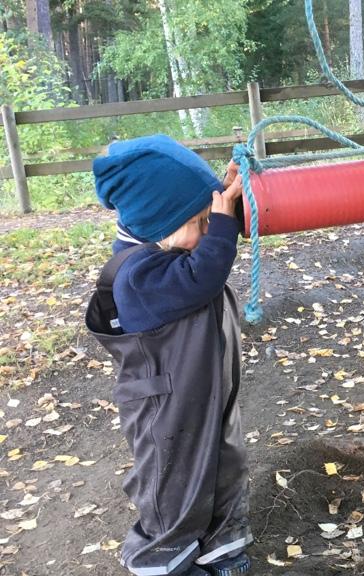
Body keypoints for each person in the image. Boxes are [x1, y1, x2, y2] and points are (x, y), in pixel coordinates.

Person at [85, 134, 252, 576]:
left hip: (205, 394)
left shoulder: (167, 249)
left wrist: (226, 201)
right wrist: (222, 228)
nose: (207, 233)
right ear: (159, 225)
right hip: (165, 411)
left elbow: (203, 257)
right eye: (201, 222)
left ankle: (222, 547)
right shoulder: (137, 277)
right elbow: (203, 276)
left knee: (224, 467)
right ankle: (160, 562)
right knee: (172, 486)